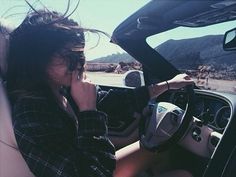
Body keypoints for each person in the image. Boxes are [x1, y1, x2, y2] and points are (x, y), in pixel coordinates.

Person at [6, 10, 194, 177]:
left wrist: (166, 85)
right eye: (68, 56)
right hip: (90, 169)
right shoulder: (31, 113)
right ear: (37, 58)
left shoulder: (60, 89)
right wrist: (88, 110)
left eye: (80, 55)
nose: (79, 63)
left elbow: (113, 100)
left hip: (89, 163)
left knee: (162, 150)